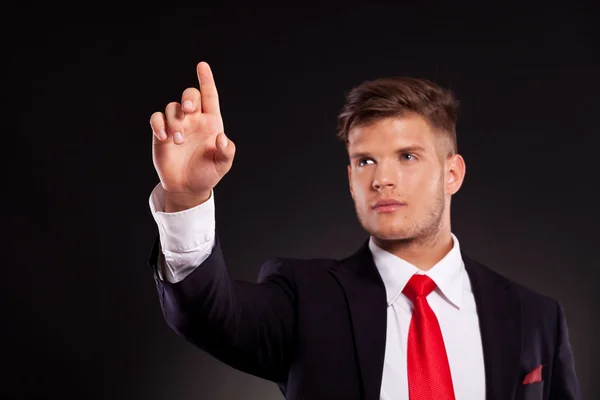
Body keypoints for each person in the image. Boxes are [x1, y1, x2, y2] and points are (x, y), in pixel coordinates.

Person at [147, 61, 581, 400]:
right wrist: (186, 198)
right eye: (365, 161)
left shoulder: (536, 316)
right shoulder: (306, 297)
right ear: (350, 177)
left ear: (452, 174)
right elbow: (209, 316)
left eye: (407, 157)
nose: (382, 179)